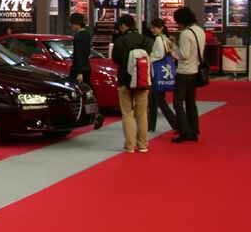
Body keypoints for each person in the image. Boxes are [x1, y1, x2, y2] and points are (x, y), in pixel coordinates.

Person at [111, 14, 149, 153]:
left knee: (127, 113)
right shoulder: (144, 39)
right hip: (142, 80)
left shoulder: (121, 41)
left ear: (123, 26)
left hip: (125, 81)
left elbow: (116, 59)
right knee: (142, 113)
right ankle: (143, 144)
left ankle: (130, 145)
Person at [171, 7, 206, 143]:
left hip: (184, 72)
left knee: (178, 103)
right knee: (191, 102)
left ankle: (185, 131)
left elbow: (183, 55)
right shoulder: (200, 31)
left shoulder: (185, 34)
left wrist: (173, 48)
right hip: (195, 71)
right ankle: (194, 129)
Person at [69, 13, 104, 129]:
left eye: (72, 23)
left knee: (76, 93)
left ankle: (92, 115)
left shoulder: (78, 36)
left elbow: (79, 54)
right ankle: (95, 114)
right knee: (89, 93)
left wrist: (79, 72)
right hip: (86, 67)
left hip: (78, 69)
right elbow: (86, 53)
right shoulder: (87, 34)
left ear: (76, 24)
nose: (71, 26)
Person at [147, 18, 178, 133]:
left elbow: (159, 55)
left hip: (157, 72)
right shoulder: (166, 39)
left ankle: (175, 123)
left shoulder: (159, 40)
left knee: (158, 100)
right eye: (152, 27)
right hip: (165, 71)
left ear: (161, 28)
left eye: (154, 27)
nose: (152, 30)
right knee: (155, 100)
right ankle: (151, 126)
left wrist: (149, 58)